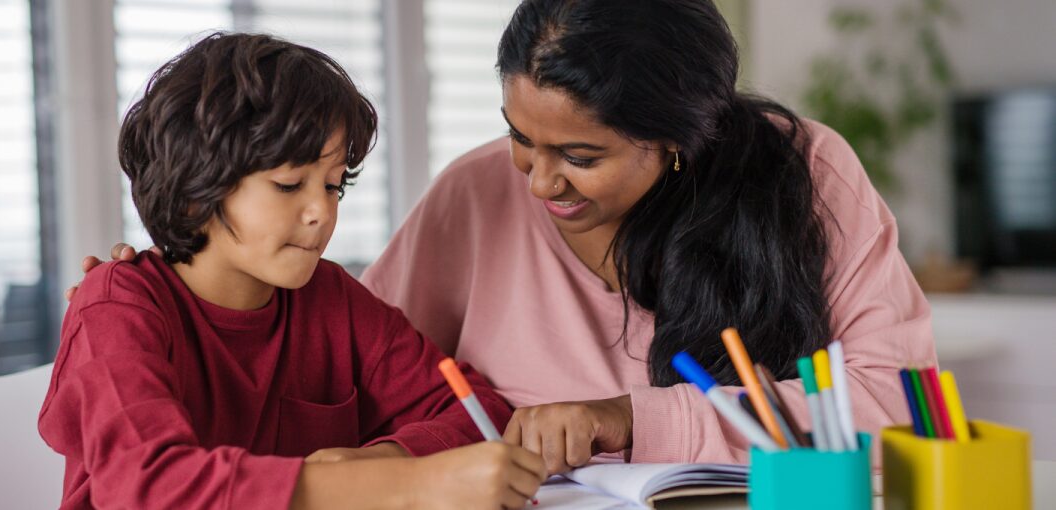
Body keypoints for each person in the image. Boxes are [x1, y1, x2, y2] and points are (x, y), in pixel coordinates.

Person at [85, 0, 935, 475]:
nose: (534, 181)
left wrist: (625, 419)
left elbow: (898, 404)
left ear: (676, 139)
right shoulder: (476, 191)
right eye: (520, 137)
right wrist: (165, 281)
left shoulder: (808, 173)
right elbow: (341, 361)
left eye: (580, 155)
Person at [40, 32, 545, 509]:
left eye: (332, 185)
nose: (321, 212)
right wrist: (399, 482)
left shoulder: (331, 298)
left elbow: (478, 409)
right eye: (288, 184)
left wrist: (378, 460)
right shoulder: (118, 304)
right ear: (196, 192)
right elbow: (149, 485)